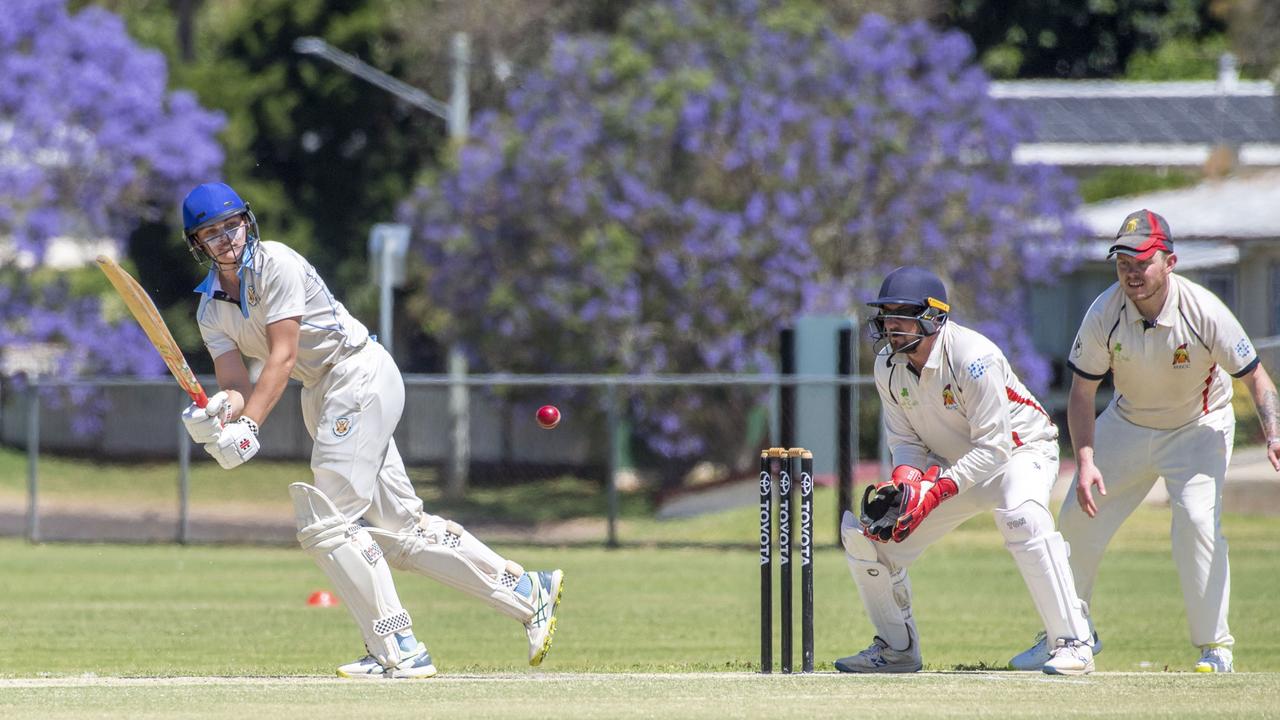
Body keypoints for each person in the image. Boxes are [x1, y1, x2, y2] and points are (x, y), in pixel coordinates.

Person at [176, 182, 564, 679]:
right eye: (212, 232)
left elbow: (283, 354)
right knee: (402, 532)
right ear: (198, 244)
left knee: (327, 522)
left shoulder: (277, 262)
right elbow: (234, 383)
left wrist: (250, 422)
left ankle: (397, 644)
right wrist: (217, 412)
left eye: (232, 225)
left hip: (356, 372)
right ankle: (527, 592)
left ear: (247, 222)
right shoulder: (211, 308)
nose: (226, 237)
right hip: (323, 392)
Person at [1012, 209, 1280, 673]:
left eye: (1143, 261)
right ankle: (1069, 634)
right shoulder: (1104, 313)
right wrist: (1088, 460)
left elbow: (1256, 378)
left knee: (1196, 523)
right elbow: (1082, 392)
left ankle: (1215, 650)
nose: (1132, 273)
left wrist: (1274, 434)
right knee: (1075, 520)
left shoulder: (1203, 311)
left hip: (1199, 426)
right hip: (1129, 422)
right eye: (1123, 263)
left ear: (1170, 262)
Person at [837, 266, 1096, 676]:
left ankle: (1072, 640)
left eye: (904, 314)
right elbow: (905, 439)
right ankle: (897, 649)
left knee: (1022, 517)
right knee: (868, 538)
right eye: (887, 315)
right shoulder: (887, 365)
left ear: (934, 316)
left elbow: (994, 446)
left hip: (1020, 454)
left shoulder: (974, 358)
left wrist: (934, 491)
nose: (891, 325)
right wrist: (908, 483)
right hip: (952, 467)